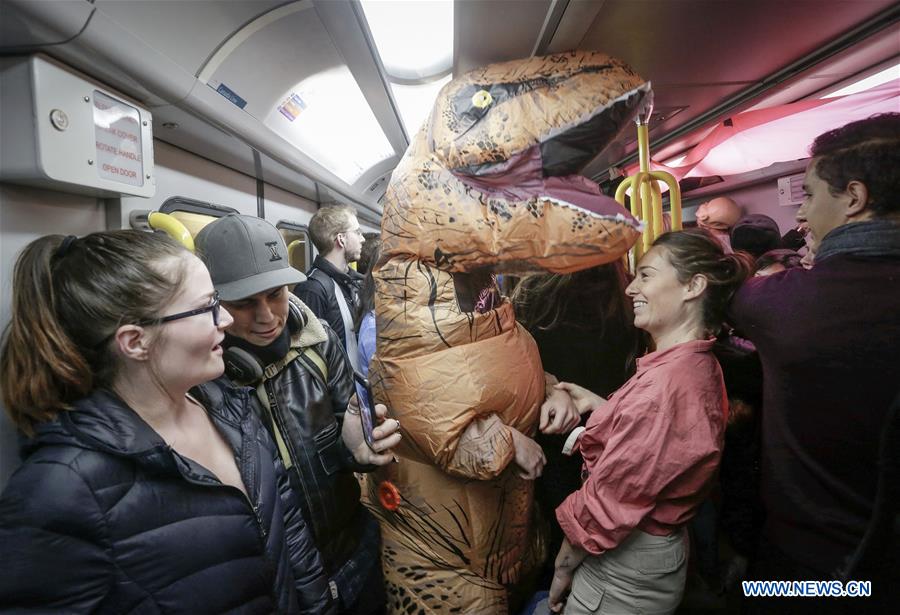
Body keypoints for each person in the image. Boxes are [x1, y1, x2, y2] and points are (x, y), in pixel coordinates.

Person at [0, 231, 333, 613]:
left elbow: (291, 538)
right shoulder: (59, 489)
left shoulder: (229, 406)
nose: (224, 318)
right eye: (207, 307)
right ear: (134, 341)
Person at [729, 113, 900, 614]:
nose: (801, 214)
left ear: (853, 197)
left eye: (807, 195)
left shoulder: (786, 302)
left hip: (817, 572)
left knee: (750, 594)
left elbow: (735, 298)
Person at [195, 214, 401, 615]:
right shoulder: (203, 383)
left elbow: (348, 427)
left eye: (276, 294)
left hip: (353, 553)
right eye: (244, 304)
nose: (268, 316)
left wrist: (357, 451)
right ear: (214, 306)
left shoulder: (319, 342)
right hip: (280, 583)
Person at [548, 229, 754, 614]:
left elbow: (607, 504)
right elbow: (661, 443)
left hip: (625, 563)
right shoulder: (693, 363)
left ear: (693, 286)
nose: (630, 289)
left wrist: (561, 571)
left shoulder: (665, 387)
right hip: (655, 554)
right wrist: (602, 407)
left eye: (645, 275)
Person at [510, 263, 645, 588]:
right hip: (612, 428)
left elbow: (518, 360)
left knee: (561, 524)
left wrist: (550, 386)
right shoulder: (625, 295)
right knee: (607, 527)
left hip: (554, 427)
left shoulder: (533, 293)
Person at [295, 204, 366, 370]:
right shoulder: (312, 289)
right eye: (357, 232)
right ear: (341, 239)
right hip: (338, 393)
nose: (362, 238)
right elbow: (311, 356)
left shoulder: (351, 282)